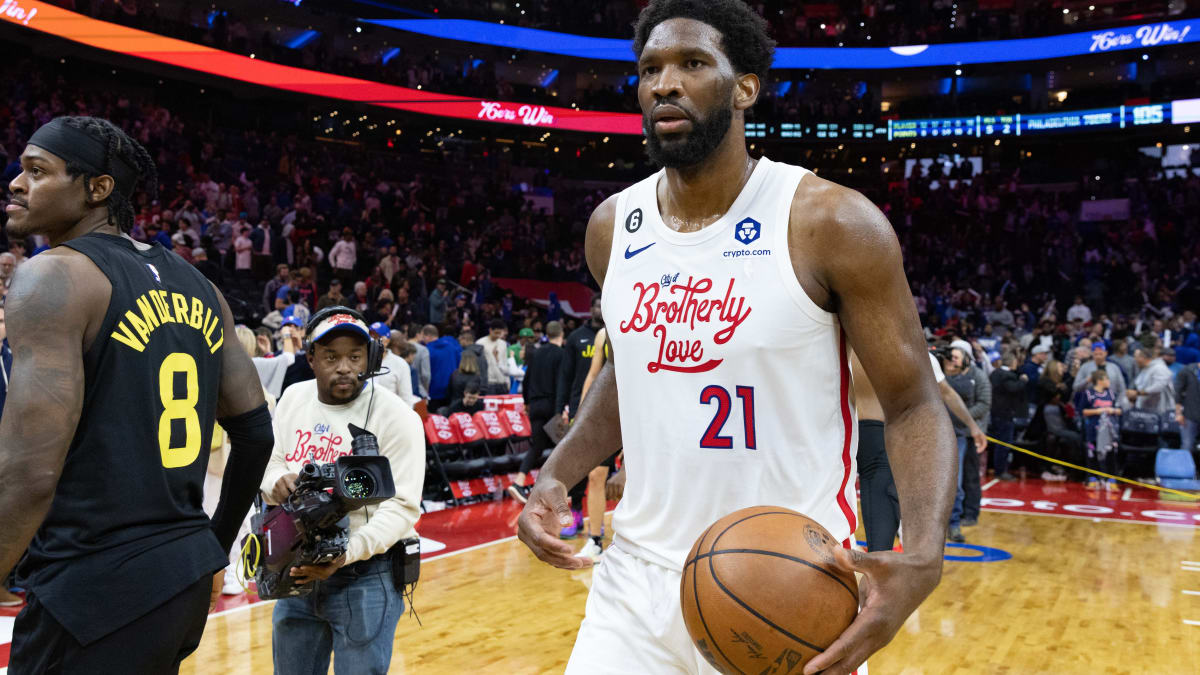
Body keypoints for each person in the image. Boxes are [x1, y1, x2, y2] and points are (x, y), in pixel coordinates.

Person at [516, 5, 955, 674]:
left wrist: (923, 551)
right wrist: (557, 474)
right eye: (650, 70)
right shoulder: (613, 227)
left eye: (692, 64)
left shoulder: (830, 222)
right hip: (634, 585)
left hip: (790, 581)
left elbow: (915, 401)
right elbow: (632, 373)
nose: (665, 83)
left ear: (745, 87)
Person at [0, 116, 274, 673]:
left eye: (37, 170)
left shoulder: (51, 275)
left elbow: (29, 474)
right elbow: (254, 432)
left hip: (91, 590)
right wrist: (212, 547)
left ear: (97, 189)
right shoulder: (199, 284)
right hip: (180, 579)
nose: (16, 184)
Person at [260, 306, 425, 675]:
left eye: (355, 356)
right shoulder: (292, 399)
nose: (345, 367)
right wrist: (278, 483)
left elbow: (402, 508)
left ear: (372, 357)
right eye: (331, 356)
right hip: (297, 570)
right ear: (311, 358)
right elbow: (269, 465)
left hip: (366, 574)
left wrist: (346, 552)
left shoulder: (398, 417)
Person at [852, 350, 986, 553]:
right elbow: (947, 393)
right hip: (880, 430)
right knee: (891, 493)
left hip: (861, 429)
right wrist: (972, 426)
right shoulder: (912, 352)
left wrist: (972, 426)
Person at [556, 295, 605, 537]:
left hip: (608, 409)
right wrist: (561, 409)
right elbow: (565, 376)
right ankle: (575, 512)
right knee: (577, 465)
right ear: (590, 308)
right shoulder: (576, 338)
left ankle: (597, 518)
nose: (600, 308)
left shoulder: (616, 335)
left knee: (601, 471)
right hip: (580, 405)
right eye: (597, 304)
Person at [508, 320, 567, 502]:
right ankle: (555, 488)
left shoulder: (537, 353)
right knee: (562, 447)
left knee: (537, 447)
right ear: (561, 335)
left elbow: (526, 380)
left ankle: (518, 482)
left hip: (535, 405)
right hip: (551, 406)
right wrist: (560, 410)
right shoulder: (561, 354)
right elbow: (561, 384)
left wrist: (526, 403)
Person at [1080, 370, 1122, 490]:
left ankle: (1111, 478)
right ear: (1100, 381)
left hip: (1109, 430)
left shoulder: (1112, 394)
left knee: (1111, 454)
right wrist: (1097, 411)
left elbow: (1120, 410)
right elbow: (1082, 411)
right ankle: (1093, 478)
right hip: (1093, 429)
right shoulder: (1088, 394)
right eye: (1107, 379)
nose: (1109, 382)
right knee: (1092, 453)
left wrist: (1112, 410)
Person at [989, 353, 1026, 481]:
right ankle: (1000, 471)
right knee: (1004, 443)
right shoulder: (1008, 376)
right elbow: (1013, 389)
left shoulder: (995, 373)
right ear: (1011, 363)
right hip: (1005, 413)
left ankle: (993, 467)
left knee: (997, 441)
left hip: (995, 411)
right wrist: (1023, 381)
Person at [370, 321, 418, 407]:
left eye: (376, 337)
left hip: (389, 416)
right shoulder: (361, 361)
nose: (372, 340)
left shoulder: (400, 364)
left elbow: (406, 398)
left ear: (386, 341)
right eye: (370, 336)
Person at [1127, 347, 1176, 414]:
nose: (1135, 360)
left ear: (1143, 357)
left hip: (1161, 412)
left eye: (1136, 357)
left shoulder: (1159, 367)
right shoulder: (1146, 369)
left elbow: (1159, 386)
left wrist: (1137, 393)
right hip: (1147, 410)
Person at [477, 318, 512, 394]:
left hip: (502, 382)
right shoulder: (480, 343)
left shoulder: (503, 344)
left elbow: (505, 362)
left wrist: (508, 381)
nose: (498, 335)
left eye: (500, 333)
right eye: (496, 333)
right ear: (490, 330)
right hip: (489, 382)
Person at [1176, 359, 1200, 451]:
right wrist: (1178, 413)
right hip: (1189, 415)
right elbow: (1178, 393)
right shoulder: (1187, 370)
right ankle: (1183, 465)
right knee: (1187, 445)